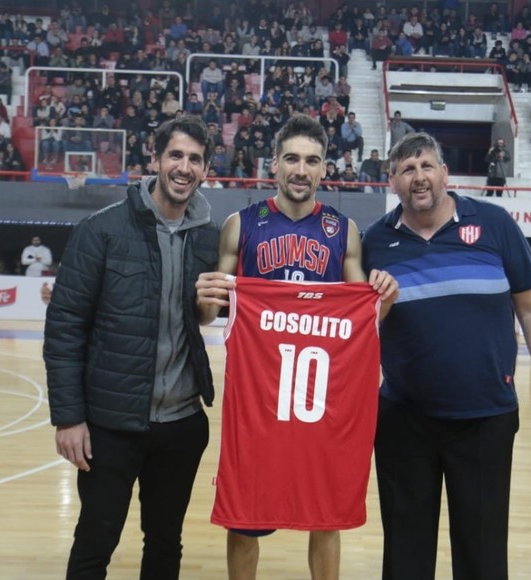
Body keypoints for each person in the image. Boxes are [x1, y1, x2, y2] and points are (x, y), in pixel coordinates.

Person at [195, 114, 398, 580]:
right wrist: (203, 301)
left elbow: (362, 322)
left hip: (318, 397)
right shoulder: (240, 225)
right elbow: (212, 313)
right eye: (291, 159)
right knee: (247, 513)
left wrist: (383, 297)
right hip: (257, 397)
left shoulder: (342, 231)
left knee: (324, 511)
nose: (301, 170)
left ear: (324, 169)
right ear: (274, 165)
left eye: (311, 161)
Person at [360, 132, 531, 579]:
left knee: (482, 554)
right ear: (391, 183)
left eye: (426, 166)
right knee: (405, 554)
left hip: (485, 419)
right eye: (406, 170)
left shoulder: (494, 225)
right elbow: (355, 330)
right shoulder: (373, 243)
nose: (418, 178)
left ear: (444, 173)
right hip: (403, 421)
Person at [43, 116, 219, 579]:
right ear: (155, 159)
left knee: (165, 542)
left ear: (206, 170)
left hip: (182, 424)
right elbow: (64, 327)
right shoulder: (100, 230)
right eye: (176, 155)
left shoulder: (208, 237)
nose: (184, 167)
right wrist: (68, 417)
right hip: (109, 423)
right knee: (96, 539)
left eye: (195, 159)